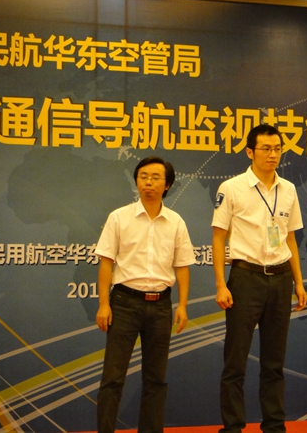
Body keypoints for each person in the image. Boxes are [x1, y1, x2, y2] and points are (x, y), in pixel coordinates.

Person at [212, 124, 307, 433]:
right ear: (250, 152)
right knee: (236, 360)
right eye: (266, 148)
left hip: (280, 279)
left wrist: (299, 282)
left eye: (278, 148)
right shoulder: (232, 187)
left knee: (274, 361)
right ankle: (233, 426)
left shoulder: (288, 189)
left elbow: (290, 239)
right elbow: (218, 238)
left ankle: (274, 425)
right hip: (245, 278)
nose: (273, 154)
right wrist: (221, 284)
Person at [95, 156, 195, 433]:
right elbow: (106, 263)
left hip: (161, 306)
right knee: (113, 378)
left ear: (167, 185)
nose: (148, 182)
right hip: (124, 303)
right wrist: (103, 304)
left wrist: (183, 305)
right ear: (137, 181)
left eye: (155, 177)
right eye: (143, 177)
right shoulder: (119, 217)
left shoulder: (176, 222)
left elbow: (182, 266)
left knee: (156, 379)